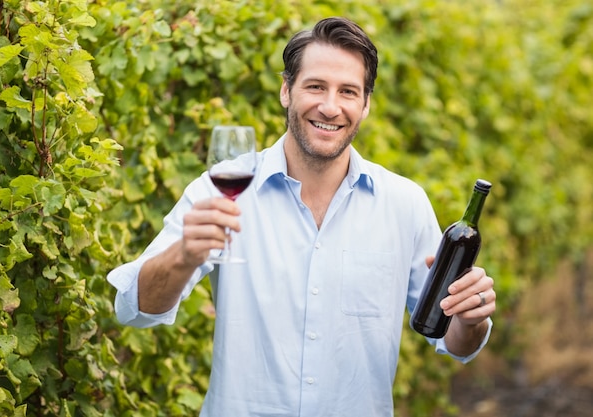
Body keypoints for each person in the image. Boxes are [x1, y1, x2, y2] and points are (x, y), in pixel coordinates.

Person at [108, 16, 496, 417]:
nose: (330, 106)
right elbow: (134, 308)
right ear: (286, 90)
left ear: (365, 105)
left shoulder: (404, 204)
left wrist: (472, 319)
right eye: (315, 86)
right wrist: (183, 256)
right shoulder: (222, 191)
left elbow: (453, 342)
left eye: (348, 91)